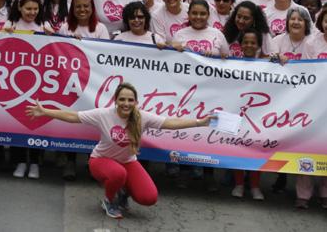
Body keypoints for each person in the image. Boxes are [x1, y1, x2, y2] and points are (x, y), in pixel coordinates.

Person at [25, 82, 213, 220]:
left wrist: (199, 122)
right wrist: (46, 111)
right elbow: (73, 116)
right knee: (117, 173)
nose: (126, 103)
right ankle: (109, 200)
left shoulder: (142, 117)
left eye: (130, 100)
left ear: (136, 102)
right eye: (122, 99)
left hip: (128, 162)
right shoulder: (103, 114)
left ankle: (123, 193)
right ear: (116, 100)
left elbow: (170, 123)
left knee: (149, 197)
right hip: (101, 161)